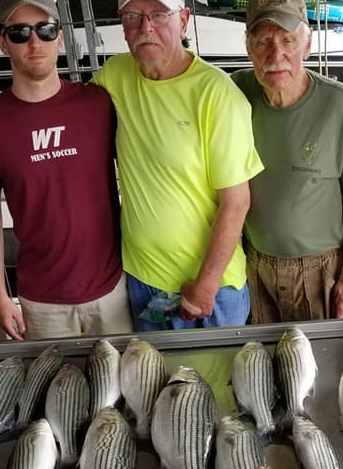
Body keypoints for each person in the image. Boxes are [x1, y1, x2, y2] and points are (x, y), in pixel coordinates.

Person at [0, 0, 133, 340]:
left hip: (112, 288)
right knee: (54, 391)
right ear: (2, 42)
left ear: (59, 38)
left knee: (126, 388)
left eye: (45, 29)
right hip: (41, 301)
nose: (34, 42)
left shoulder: (98, 103)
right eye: (19, 32)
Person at [92, 0, 264, 330]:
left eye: (159, 14)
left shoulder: (217, 94)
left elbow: (237, 202)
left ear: (183, 20)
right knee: (156, 380)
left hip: (210, 291)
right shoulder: (115, 75)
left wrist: (205, 286)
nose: (146, 27)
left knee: (218, 380)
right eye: (133, 16)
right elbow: (67, 113)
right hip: (145, 282)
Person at [231, 0, 343, 323]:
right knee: (262, 366)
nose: (275, 55)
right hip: (254, 266)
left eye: (287, 41)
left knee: (322, 366)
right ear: (248, 47)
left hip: (320, 272)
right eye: (263, 41)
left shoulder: (341, 104)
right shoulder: (233, 93)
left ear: (307, 44)